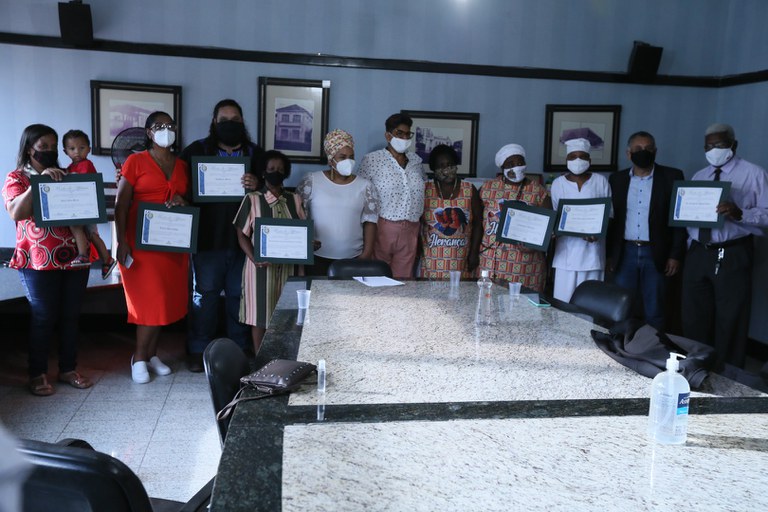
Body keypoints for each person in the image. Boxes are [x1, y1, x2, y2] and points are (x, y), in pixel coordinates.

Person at [2, 124, 93, 395]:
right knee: (43, 316)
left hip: (74, 258)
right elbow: (16, 213)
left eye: (54, 147)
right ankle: (37, 373)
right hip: (37, 261)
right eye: (43, 147)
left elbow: (85, 207)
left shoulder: (66, 175)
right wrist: (39, 182)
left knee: (70, 316)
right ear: (29, 149)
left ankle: (68, 369)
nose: (50, 151)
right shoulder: (16, 178)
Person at [179, 99, 263, 371]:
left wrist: (258, 184)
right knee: (205, 295)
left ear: (243, 121)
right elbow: (179, 186)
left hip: (244, 240)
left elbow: (272, 192)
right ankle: (199, 350)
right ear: (214, 122)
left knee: (239, 295)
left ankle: (238, 349)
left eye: (235, 119)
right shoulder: (196, 150)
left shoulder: (255, 153)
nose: (230, 124)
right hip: (207, 238)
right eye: (224, 120)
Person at [682, 123, 768, 368]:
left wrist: (740, 213)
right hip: (699, 252)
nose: (714, 150)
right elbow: (689, 217)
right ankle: (696, 367)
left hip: (733, 253)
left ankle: (728, 374)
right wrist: (690, 245)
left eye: (719, 145)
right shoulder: (700, 176)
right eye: (708, 146)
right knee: (694, 315)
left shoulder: (754, 174)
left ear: (733, 144)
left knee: (731, 318)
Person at [114, 111, 189, 383]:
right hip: (140, 244)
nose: (166, 129)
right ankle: (139, 357)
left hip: (172, 243)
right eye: (159, 126)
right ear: (148, 132)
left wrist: (182, 201)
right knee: (149, 301)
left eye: (170, 125)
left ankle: (152, 354)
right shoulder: (135, 161)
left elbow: (188, 200)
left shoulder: (182, 165)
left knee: (164, 300)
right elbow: (121, 205)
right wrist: (121, 241)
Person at [607, 131, 686, 332]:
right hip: (625, 252)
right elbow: (612, 221)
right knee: (621, 306)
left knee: (655, 308)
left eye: (648, 149)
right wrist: (609, 255)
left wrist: (675, 255)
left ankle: (653, 347)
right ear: (628, 153)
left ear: (655, 152)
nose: (644, 152)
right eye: (638, 149)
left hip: (656, 252)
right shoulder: (616, 179)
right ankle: (622, 345)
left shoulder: (672, 177)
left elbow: (679, 219)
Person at [234, 150, 306, 354]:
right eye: (272, 169)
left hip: (290, 269)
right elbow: (241, 235)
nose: (276, 172)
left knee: (287, 315)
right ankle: (260, 359)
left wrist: (310, 246)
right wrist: (254, 258)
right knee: (260, 316)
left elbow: (303, 232)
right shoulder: (252, 199)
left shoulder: (295, 199)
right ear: (263, 172)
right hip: (259, 269)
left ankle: (283, 357)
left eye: (281, 170)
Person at [297, 129, 379, 276]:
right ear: (330, 159)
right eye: (342, 157)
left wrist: (366, 254)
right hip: (317, 257)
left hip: (353, 258)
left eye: (351, 157)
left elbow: (370, 222)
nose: (348, 161)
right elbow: (299, 214)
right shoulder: (312, 180)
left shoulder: (365, 186)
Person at [358, 113, 426, 278]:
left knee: (404, 280)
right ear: (388, 135)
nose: (404, 138)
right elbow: (360, 194)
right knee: (378, 277)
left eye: (408, 134)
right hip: (382, 227)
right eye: (399, 133)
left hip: (411, 228)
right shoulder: (372, 160)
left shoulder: (416, 161)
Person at [478, 144, 551, 290]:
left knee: (522, 302)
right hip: (491, 260)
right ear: (502, 168)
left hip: (525, 264)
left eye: (520, 162)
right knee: (489, 300)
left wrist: (533, 244)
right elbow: (477, 223)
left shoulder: (538, 191)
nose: (516, 167)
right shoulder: (487, 188)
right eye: (510, 164)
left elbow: (547, 228)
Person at [550, 138, 612, 302]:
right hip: (565, 257)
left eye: (582, 156)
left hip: (593, 255)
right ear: (566, 160)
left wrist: (598, 232)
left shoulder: (600, 181)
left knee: (590, 305)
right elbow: (555, 218)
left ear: (589, 160)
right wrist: (554, 231)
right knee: (563, 304)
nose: (577, 161)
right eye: (573, 157)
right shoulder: (558, 184)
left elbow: (609, 215)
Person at [420, 144, 482, 279]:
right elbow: (417, 223)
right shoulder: (425, 189)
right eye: (441, 166)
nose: (447, 170)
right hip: (432, 260)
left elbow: (478, 223)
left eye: (450, 164)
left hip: (461, 259)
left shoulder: (469, 189)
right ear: (433, 169)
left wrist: (474, 253)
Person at [62, 129, 117, 279]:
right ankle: (107, 259)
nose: (77, 152)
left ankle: (83, 255)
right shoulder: (70, 167)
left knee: (77, 227)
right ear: (65, 151)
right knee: (92, 234)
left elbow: (80, 181)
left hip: (87, 207)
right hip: (83, 207)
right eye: (72, 149)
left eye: (82, 148)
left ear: (89, 149)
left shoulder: (86, 165)